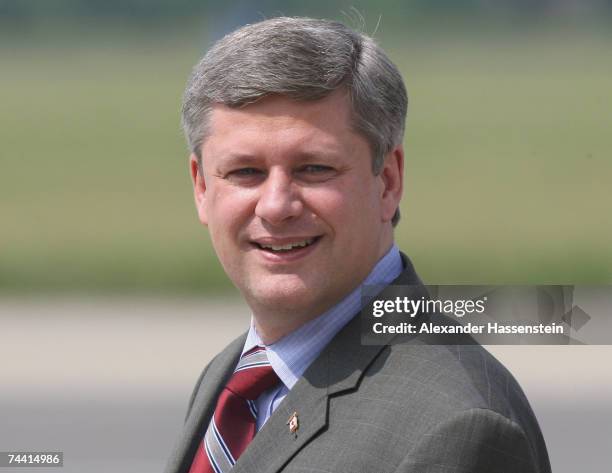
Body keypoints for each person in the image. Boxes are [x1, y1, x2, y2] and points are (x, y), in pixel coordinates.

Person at [165, 17, 551, 473]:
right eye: (245, 172)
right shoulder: (235, 378)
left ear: (388, 181)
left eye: (314, 169)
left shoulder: (458, 427)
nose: (276, 206)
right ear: (202, 188)